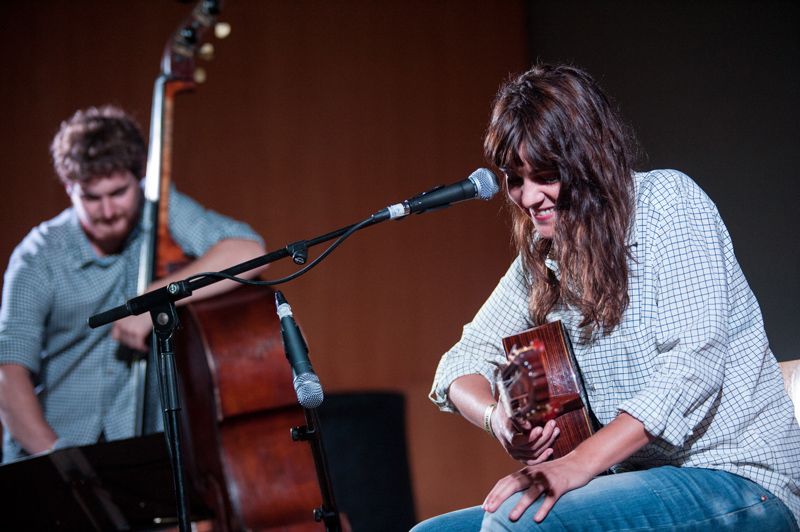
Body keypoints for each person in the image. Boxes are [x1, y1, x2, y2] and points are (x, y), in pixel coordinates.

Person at [413, 64, 800, 530]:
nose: (529, 196)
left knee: (518, 524)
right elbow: (461, 361)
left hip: (740, 480)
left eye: (546, 175)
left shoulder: (669, 204)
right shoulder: (544, 255)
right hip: (639, 483)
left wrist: (579, 463)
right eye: (516, 179)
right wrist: (498, 418)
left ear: (589, 162)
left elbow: (691, 369)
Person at [0, 105, 266, 463]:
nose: (108, 211)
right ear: (68, 188)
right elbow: (8, 372)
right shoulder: (38, 257)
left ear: (139, 180)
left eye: (119, 193)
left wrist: (156, 297)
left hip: (138, 453)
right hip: (52, 454)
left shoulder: (157, 210)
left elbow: (246, 249)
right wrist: (59, 459)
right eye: (91, 198)